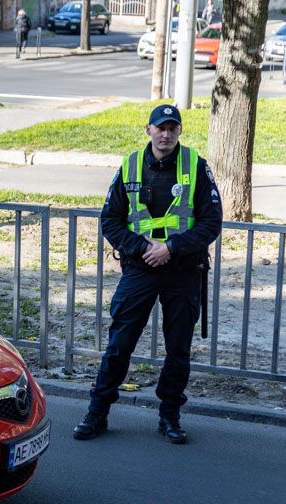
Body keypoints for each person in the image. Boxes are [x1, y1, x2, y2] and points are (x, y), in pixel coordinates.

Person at [73, 104, 222, 445]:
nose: (165, 133)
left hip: (183, 270)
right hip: (140, 269)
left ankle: (170, 416)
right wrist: (143, 249)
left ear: (180, 131)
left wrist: (171, 247)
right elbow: (109, 220)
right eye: (160, 127)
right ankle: (97, 412)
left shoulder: (196, 167)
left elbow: (211, 221)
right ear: (148, 130)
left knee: (178, 350)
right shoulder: (129, 166)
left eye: (172, 127)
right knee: (119, 345)